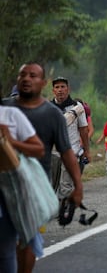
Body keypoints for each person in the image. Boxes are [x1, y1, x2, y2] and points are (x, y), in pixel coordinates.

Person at [4, 62, 83, 273]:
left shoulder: (52, 114)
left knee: (26, 238)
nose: (27, 79)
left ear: (43, 82)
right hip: (3, 184)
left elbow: (67, 152)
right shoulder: (5, 109)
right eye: (22, 75)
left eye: (33, 75)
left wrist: (78, 186)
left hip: (33, 187)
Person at [0, 96, 44, 273]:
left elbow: (39, 149)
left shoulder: (10, 116)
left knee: (6, 252)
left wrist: (10, 141)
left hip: (11, 193)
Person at [51, 77, 91, 194]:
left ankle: (65, 211)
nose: (60, 90)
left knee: (66, 186)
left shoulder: (77, 106)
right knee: (51, 186)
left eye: (63, 87)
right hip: (53, 153)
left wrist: (87, 151)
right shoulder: (48, 107)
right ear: (53, 90)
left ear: (68, 89)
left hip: (71, 151)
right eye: (57, 87)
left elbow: (83, 129)